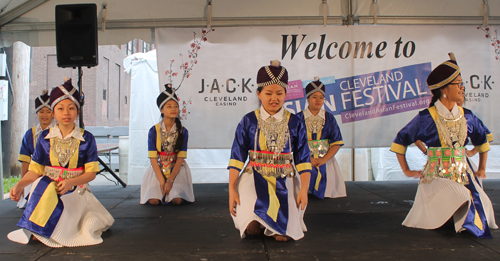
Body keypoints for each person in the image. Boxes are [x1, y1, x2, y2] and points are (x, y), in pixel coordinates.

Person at [390, 54, 497, 238]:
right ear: (445, 89)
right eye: (458, 84)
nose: (462, 88)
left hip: (464, 174)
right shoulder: (426, 117)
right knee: (463, 197)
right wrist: (407, 170)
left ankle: (458, 220)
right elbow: (400, 140)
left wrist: (481, 168)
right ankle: (460, 223)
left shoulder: (467, 116)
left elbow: (482, 140)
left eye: (462, 83)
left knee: (485, 206)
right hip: (436, 177)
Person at [8, 79, 114, 247]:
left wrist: (70, 182)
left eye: (71, 108)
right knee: (41, 188)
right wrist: (20, 184)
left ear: (77, 112)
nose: (66, 113)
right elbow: (35, 170)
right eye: (60, 108)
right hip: (47, 188)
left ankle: (47, 230)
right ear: (53, 113)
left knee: (75, 225)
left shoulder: (87, 138)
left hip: (74, 189)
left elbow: (91, 173)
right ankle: (41, 229)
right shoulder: (44, 138)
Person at [228, 60, 312, 242]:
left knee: (283, 234)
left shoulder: (295, 122)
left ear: (285, 94)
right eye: (268, 93)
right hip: (253, 174)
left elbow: (303, 159)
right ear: (259, 94)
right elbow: (236, 157)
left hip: (285, 177)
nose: (274, 98)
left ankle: (273, 224)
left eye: (279, 93)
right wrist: (231, 189)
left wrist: (304, 188)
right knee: (249, 224)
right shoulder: (248, 121)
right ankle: (255, 220)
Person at [140, 83, 194, 205]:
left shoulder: (183, 131)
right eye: (169, 106)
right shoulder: (153, 130)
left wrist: (169, 181)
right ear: (162, 110)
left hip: (177, 169)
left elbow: (180, 158)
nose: (173, 109)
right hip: (158, 168)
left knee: (176, 200)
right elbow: (153, 159)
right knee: (154, 201)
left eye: (175, 106)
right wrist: (161, 181)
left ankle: (174, 188)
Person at [296, 77, 345, 199]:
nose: (318, 100)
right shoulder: (297, 118)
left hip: (325, 161)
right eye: (314, 97)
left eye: (321, 97)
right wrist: (308, 158)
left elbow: (336, 143)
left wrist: (323, 160)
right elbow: (293, 143)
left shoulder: (329, 118)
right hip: (302, 160)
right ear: (307, 99)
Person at [17, 90, 55, 208]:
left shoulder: (57, 132)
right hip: (34, 174)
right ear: (36, 113)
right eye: (41, 111)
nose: (45, 115)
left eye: (48, 112)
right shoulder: (30, 134)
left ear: (53, 114)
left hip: (54, 174)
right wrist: (22, 184)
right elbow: (25, 161)